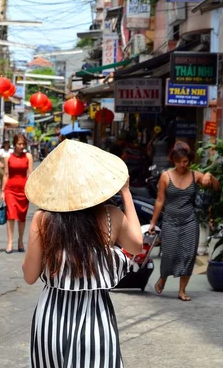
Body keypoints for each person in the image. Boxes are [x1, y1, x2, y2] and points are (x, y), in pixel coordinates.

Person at [22, 139, 142, 367]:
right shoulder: (110, 216)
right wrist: (125, 192)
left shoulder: (43, 219)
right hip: (96, 321)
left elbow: (29, 276)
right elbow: (137, 245)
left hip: (51, 322)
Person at [149, 141, 219, 301]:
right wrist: (153, 222)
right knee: (169, 254)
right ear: (173, 160)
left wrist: (210, 177)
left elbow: (216, 187)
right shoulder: (166, 176)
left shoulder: (195, 175)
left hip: (189, 221)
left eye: (186, 161)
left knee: (188, 255)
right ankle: (163, 277)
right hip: (170, 221)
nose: (182, 164)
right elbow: (160, 200)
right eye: (179, 161)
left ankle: (182, 290)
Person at [1, 134, 33, 254]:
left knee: (21, 216)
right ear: (14, 144)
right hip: (10, 189)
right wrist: (2, 191)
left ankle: (20, 241)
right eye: (19, 144)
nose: (21, 146)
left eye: (23, 144)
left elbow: (30, 173)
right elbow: (5, 174)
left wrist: (32, 190)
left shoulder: (28, 156)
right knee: (11, 215)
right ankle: (10, 242)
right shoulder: (8, 157)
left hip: (24, 190)